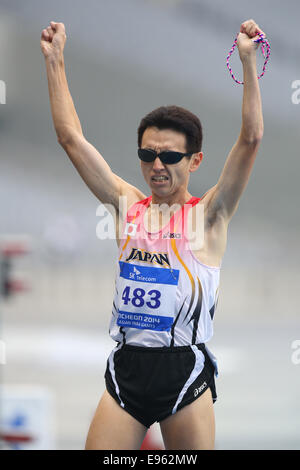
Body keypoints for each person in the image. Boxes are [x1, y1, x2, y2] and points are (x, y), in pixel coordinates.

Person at [41, 18, 264, 450]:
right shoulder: (126, 206)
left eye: (169, 156)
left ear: (194, 161)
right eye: (147, 154)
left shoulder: (211, 216)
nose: (156, 165)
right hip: (126, 371)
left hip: (183, 373)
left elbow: (251, 139)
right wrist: (55, 61)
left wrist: (248, 62)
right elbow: (70, 138)